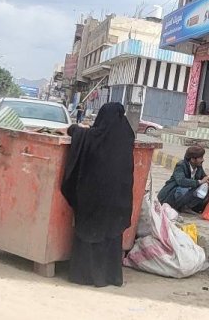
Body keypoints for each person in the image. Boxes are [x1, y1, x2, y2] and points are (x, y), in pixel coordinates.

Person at [61, 102, 135, 287]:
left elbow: (78, 134)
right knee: (111, 234)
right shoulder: (126, 135)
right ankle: (111, 276)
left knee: (90, 232)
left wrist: (73, 128)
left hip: (93, 197)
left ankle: (84, 276)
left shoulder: (93, 136)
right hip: (118, 198)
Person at [157, 146, 209, 214]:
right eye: (201, 158)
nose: (203, 160)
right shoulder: (181, 165)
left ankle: (187, 207)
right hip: (171, 194)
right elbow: (181, 181)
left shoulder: (198, 166)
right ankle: (176, 206)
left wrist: (208, 180)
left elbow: (203, 177)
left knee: (205, 187)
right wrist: (200, 182)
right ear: (193, 159)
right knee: (183, 189)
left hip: (188, 192)